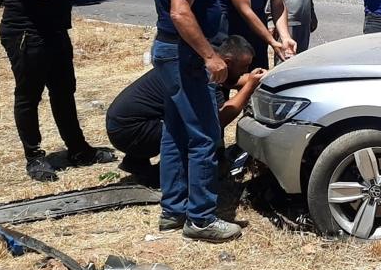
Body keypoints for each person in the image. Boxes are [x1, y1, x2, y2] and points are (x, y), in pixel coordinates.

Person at [0, 0, 115, 182]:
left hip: (56, 30)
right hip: (27, 33)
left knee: (64, 91)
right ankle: (34, 157)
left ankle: (79, 149)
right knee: (29, 96)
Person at [152, 0, 241, 242]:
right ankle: (201, 218)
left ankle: (173, 209)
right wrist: (210, 56)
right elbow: (179, 13)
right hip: (184, 55)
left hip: (171, 52)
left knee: (175, 132)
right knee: (205, 134)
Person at [106, 35, 263, 185]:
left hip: (122, 124)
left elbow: (231, 80)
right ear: (227, 62)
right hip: (130, 131)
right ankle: (167, 176)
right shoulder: (206, 73)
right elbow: (218, 119)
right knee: (197, 129)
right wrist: (249, 87)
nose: (246, 71)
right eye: (244, 67)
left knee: (180, 117)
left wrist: (259, 77)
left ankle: (135, 162)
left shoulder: (207, 58)